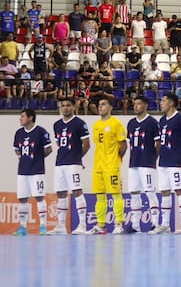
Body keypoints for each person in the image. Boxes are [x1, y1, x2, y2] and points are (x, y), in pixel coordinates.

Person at [150, 92, 181, 234]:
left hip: (176, 161)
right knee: (165, 192)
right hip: (163, 161)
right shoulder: (162, 120)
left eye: (163, 100)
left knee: (179, 190)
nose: (160, 103)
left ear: (171, 103)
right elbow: (160, 142)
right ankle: (165, 225)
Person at [50, 98, 90, 235]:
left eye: (68, 105)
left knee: (77, 191)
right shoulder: (57, 125)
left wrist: (78, 158)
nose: (65, 108)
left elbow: (86, 144)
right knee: (60, 193)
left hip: (73, 163)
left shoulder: (79, 123)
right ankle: (61, 226)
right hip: (60, 162)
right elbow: (59, 144)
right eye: (63, 106)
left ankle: (83, 225)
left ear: (73, 107)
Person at [90, 97, 128, 234]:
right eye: (99, 104)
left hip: (111, 166)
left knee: (116, 195)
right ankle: (101, 225)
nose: (100, 107)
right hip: (98, 166)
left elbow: (123, 145)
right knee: (99, 196)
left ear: (110, 107)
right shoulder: (96, 125)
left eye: (103, 104)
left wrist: (116, 160)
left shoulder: (116, 124)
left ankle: (119, 224)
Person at [13, 108, 53, 236]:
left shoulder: (41, 132)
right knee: (23, 199)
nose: (20, 118)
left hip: (37, 171)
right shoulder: (19, 133)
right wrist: (24, 158)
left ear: (30, 118)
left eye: (23, 116)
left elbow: (48, 149)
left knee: (39, 197)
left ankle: (43, 226)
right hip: (22, 171)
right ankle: (23, 227)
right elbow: (16, 149)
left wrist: (37, 158)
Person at [124, 96, 161, 234]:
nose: (136, 106)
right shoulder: (131, 123)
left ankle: (155, 224)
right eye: (134, 104)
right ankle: (135, 225)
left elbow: (158, 144)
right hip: (134, 162)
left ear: (145, 105)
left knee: (150, 192)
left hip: (147, 163)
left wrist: (152, 158)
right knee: (134, 192)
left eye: (138, 104)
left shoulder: (152, 122)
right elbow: (130, 143)